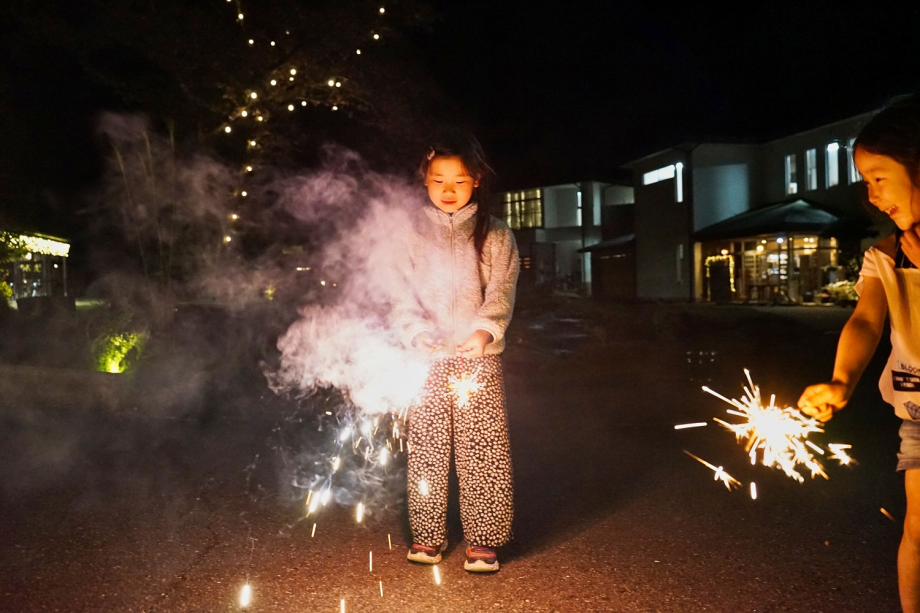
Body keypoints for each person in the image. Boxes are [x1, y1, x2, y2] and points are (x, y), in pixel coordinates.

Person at [798, 95, 920, 612]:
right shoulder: (886, 256)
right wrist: (841, 379)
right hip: (919, 411)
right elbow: (867, 320)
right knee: (918, 528)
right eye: (865, 181)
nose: (871, 195)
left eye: (879, 177)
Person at [389, 131, 519, 573]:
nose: (449, 189)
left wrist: (484, 332)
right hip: (426, 361)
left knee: (482, 450)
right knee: (426, 448)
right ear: (424, 180)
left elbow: (501, 293)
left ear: (477, 180)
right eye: (439, 180)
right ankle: (428, 534)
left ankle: (484, 539)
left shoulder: (496, 234)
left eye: (460, 181)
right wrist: (415, 333)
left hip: (477, 362)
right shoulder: (409, 235)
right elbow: (400, 294)